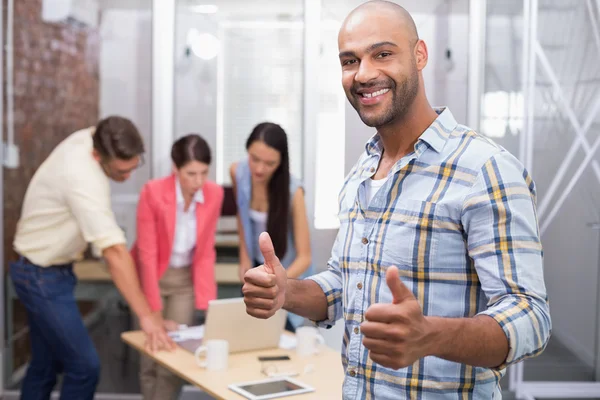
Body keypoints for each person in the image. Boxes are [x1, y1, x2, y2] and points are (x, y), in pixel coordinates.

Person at [241, 1, 552, 398]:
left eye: (383, 54)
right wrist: (288, 292)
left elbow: (531, 318)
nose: (364, 74)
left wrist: (431, 336)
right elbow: (344, 284)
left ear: (419, 55)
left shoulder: (485, 170)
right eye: (350, 61)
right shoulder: (360, 174)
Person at [10, 116, 175, 400]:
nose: (127, 177)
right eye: (121, 171)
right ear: (97, 155)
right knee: (84, 367)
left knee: (43, 366)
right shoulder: (82, 178)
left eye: (134, 166)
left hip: (46, 269)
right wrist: (147, 317)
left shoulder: (96, 136)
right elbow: (113, 253)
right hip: (40, 278)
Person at [131, 134, 224, 400]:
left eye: (203, 173)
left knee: (173, 354)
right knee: (150, 354)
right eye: (190, 173)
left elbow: (206, 252)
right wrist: (155, 315)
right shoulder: (153, 192)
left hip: (184, 281)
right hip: (151, 278)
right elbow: (147, 256)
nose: (198, 182)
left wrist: (209, 306)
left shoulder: (213, 194)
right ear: (175, 168)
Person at [230, 122, 312, 332]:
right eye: (254, 159)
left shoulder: (294, 191)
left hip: (288, 276)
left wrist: (277, 282)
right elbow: (242, 217)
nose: (259, 169)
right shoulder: (237, 172)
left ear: (281, 162)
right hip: (258, 270)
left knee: (284, 341)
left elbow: (305, 257)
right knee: (250, 337)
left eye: (269, 163)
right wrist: (244, 258)